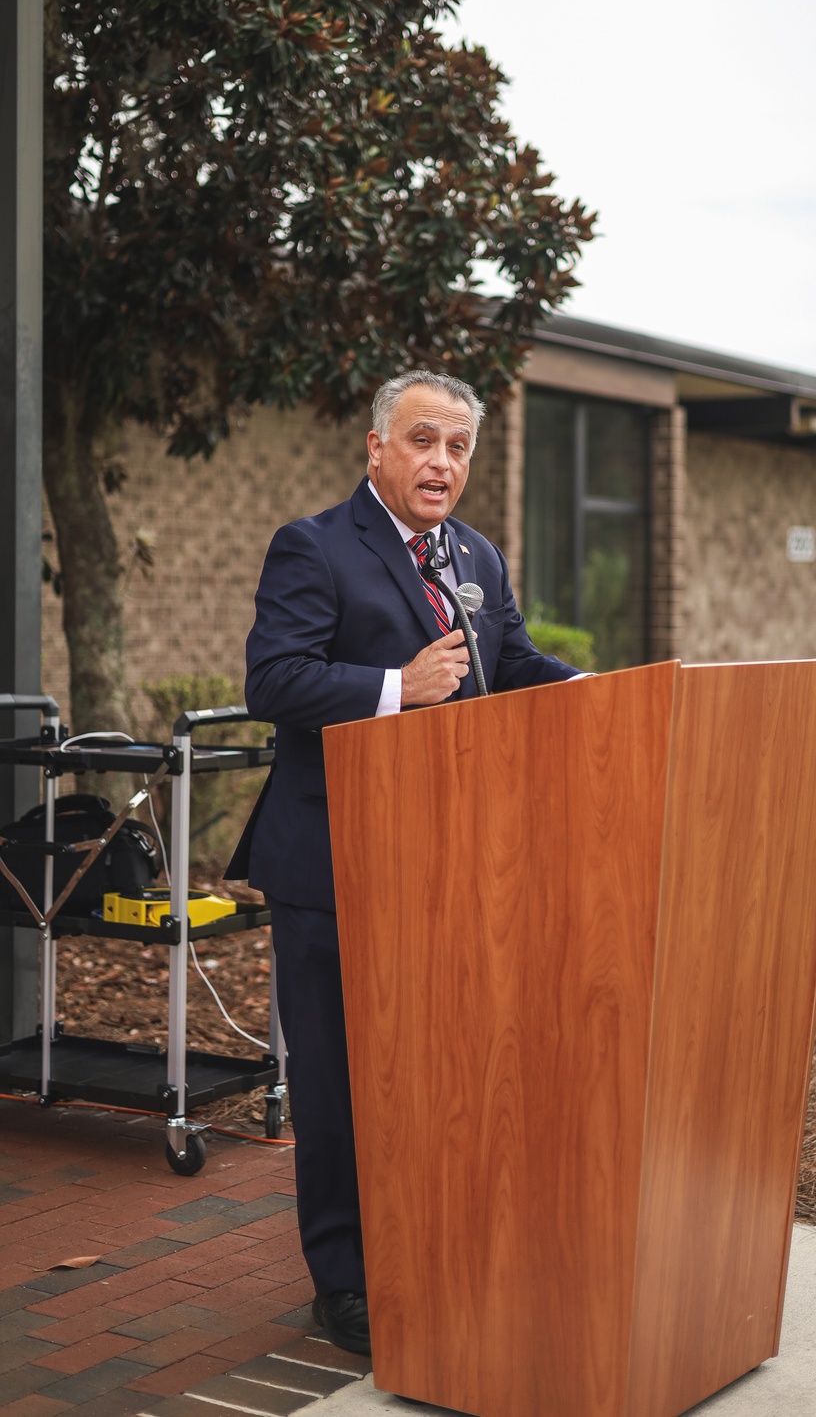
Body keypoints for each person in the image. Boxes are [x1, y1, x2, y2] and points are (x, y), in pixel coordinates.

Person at [226, 370, 582, 1354]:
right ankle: (342, 1283)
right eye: (424, 441)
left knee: (431, 1070)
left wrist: (596, 691)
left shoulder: (475, 555)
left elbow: (508, 664)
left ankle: (429, 1243)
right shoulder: (313, 546)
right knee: (340, 1082)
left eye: (459, 446)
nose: (442, 462)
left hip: (452, 865)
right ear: (376, 449)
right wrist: (397, 686)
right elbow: (273, 677)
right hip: (333, 863)